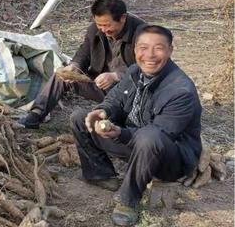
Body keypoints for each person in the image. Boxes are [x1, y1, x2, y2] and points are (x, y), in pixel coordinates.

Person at [70, 25, 202, 226]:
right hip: (136, 144)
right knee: (80, 117)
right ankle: (101, 175)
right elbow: (114, 100)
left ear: (170, 50)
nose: (149, 55)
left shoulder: (180, 90)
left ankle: (128, 201)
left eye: (158, 48)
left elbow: (160, 134)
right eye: (143, 47)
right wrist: (103, 112)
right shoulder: (134, 71)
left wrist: (120, 133)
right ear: (135, 50)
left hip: (169, 159)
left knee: (149, 137)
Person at [20, 0, 145, 129]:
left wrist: (116, 76)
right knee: (61, 76)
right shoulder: (94, 30)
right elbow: (83, 53)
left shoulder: (143, 34)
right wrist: (75, 66)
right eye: (99, 25)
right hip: (99, 84)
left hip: (129, 91)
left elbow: (146, 70)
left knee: (118, 121)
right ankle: (35, 115)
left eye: (107, 25)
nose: (103, 30)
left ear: (123, 18)